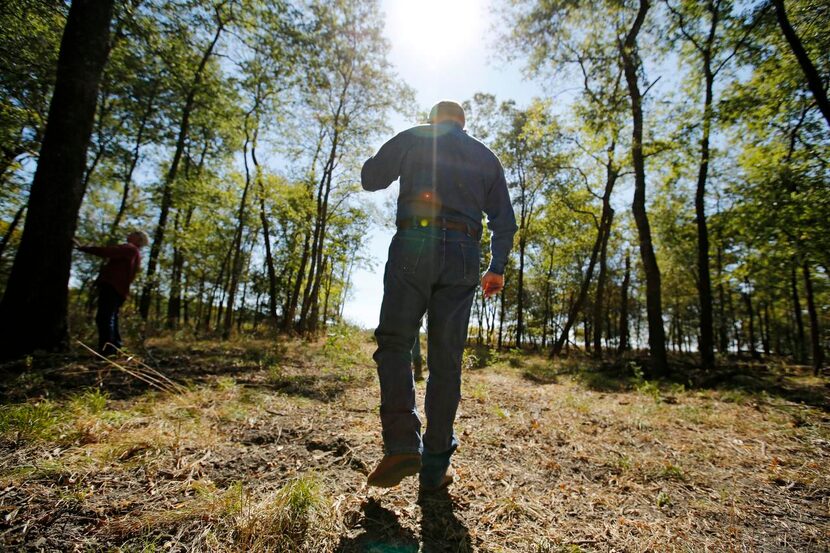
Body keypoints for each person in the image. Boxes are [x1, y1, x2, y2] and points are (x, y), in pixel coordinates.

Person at [361, 100, 517, 491]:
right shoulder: (485, 156)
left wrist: (374, 157)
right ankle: (434, 467)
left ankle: (400, 445)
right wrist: (496, 267)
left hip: (414, 241)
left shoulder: (415, 137)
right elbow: (504, 221)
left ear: (434, 119)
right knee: (446, 361)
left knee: (396, 343)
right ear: (464, 123)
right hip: (465, 252)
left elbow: (372, 179)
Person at [75, 231, 149, 355]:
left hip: (113, 287)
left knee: (104, 317)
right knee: (110, 317)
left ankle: (107, 351)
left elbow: (108, 251)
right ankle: (114, 348)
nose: (129, 234)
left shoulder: (129, 249)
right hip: (119, 289)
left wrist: (84, 248)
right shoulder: (134, 253)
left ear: (139, 239)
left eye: (133, 234)